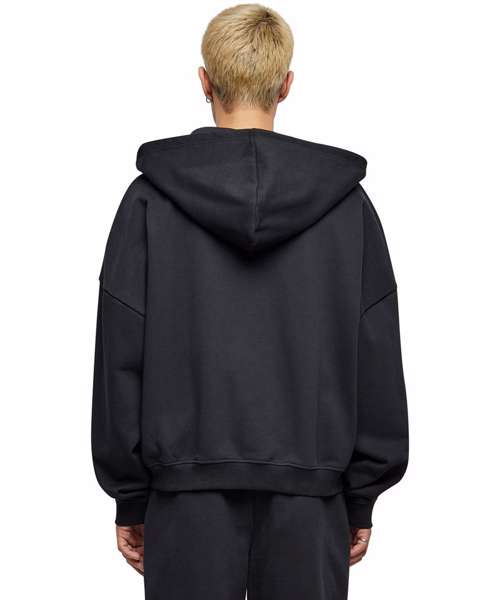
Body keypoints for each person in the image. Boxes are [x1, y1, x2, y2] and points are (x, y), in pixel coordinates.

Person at [91, 4, 409, 599]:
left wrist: (130, 493)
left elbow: (120, 354)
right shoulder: (348, 207)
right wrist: (361, 495)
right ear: (286, 85)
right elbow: (376, 353)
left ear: (204, 81)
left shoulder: (148, 202)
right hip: (312, 502)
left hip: (183, 501)